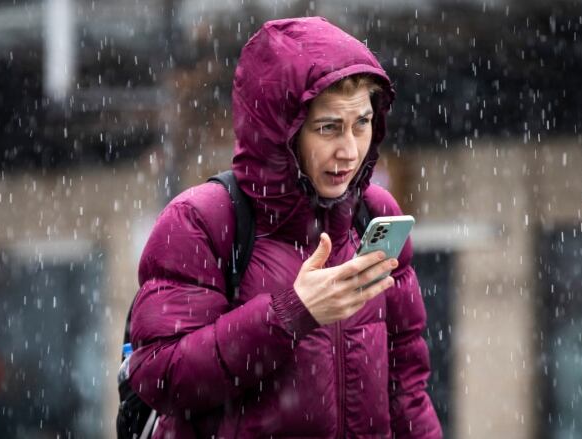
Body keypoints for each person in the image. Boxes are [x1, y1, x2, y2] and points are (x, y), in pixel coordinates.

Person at [129, 16, 442, 438]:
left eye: (362, 124)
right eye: (328, 128)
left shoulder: (373, 212)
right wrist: (291, 314)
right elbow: (159, 376)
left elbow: (406, 389)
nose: (349, 150)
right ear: (280, 133)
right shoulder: (202, 221)